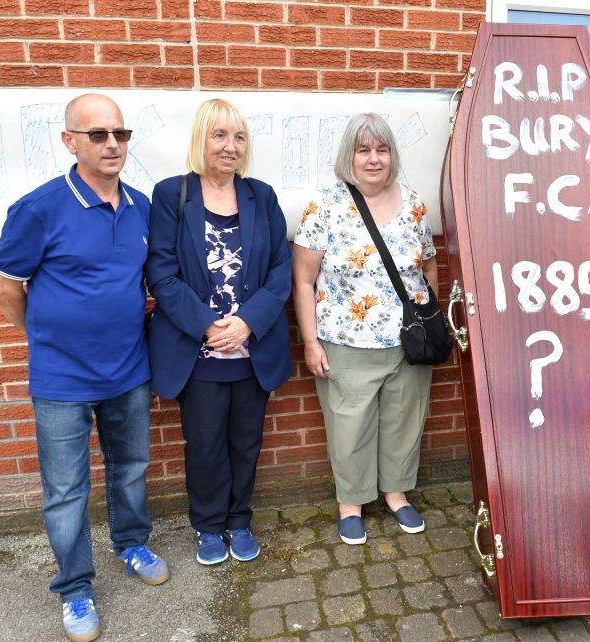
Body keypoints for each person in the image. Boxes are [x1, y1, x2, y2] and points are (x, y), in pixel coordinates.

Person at [0, 93, 168, 642]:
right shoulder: (38, 208)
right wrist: (43, 337)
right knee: (66, 490)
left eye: (120, 133)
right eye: (97, 134)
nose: (112, 143)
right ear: (70, 141)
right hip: (61, 378)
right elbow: (3, 288)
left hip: (128, 370)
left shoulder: (141, 207)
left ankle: (131, 542)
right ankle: (75, 587)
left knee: (130, 466)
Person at [146, 99, 292, 566]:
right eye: (220, 136)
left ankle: (239, 520)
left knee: (246, 441)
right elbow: (162, 275)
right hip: (199, 352)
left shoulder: (261, 196)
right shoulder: (172, 194)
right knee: (205, 443)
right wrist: (209, 327)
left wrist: (247, 322)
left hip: (251, 348)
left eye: (239, 137)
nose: (230, 147)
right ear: (201, 140)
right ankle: (208, 526)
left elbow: (280, 271)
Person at [292, 113, 437, 545]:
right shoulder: (327, 205)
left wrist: (427, 317)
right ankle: (351, 503)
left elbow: (428, 263)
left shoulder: (413, 203)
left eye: (382, 149)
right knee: (349, 426)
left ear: (391, 155)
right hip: (345, 343)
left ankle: (396, 494)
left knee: (403, 422)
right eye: (363, 150)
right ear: (348, 157)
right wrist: (310, 341)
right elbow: (302, 279)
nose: (373, 159)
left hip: (408, 344)